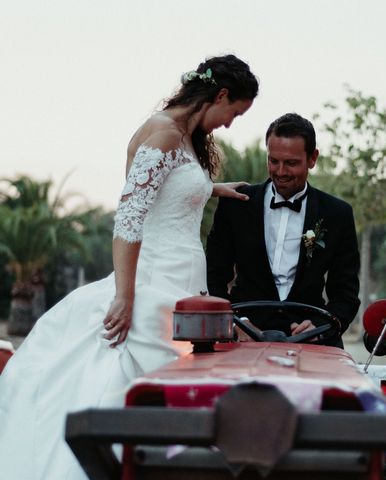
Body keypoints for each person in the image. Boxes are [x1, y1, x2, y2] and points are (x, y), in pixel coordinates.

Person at [0, 54, 259, 479]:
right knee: (142, 381)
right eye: (234, 112)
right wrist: (125, 294)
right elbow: (130, 217)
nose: (230, 124)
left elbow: (166, 191)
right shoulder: (163, 134)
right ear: (221, 94)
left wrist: (210, 189)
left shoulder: (178, 135)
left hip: (181, 279)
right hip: (156, 281)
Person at [206, 113, 360, 348]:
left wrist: (320, 325)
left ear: (312, 158)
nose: (280, 171)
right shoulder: (236, 206)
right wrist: (236, 323)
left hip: (311, 338)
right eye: (273, 160)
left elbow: (345, 293)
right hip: (241, 334)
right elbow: (214, 276)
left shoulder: (337, 214)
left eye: (291, 163)